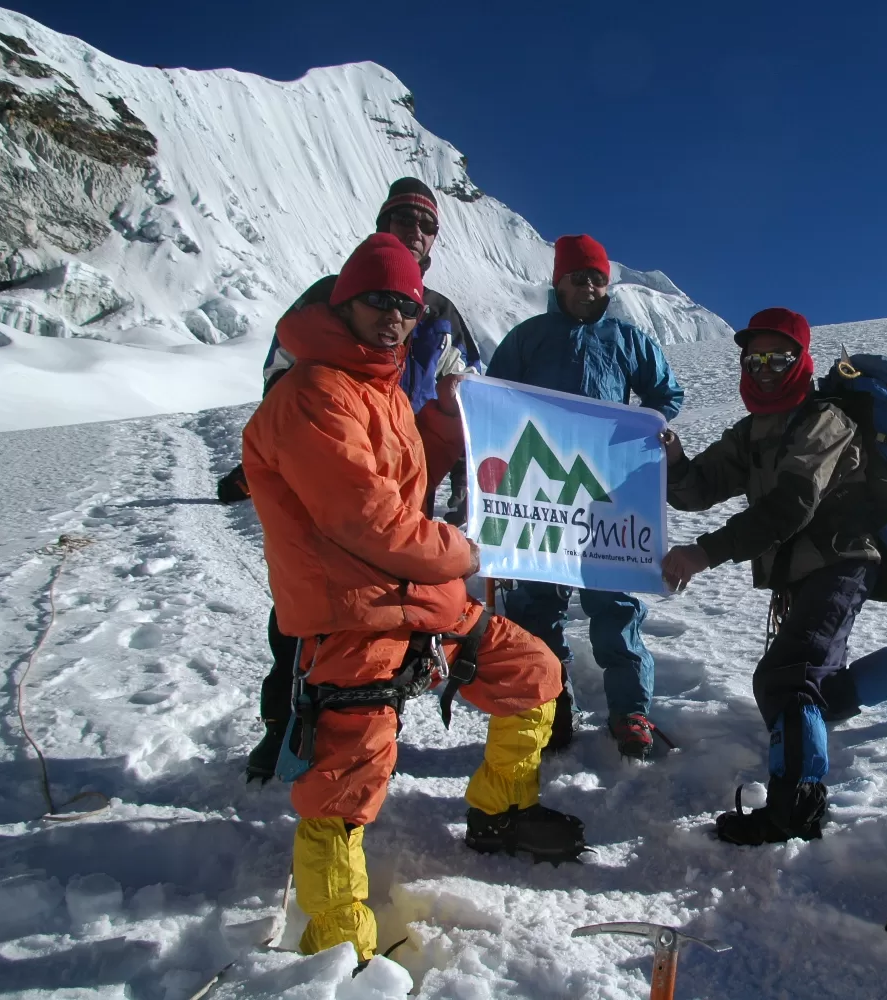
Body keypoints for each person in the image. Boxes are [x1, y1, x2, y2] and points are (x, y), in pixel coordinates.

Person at [242, 234, 586, 963]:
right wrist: (471, 552)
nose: (395, 316)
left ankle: (501, 811)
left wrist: (438, 418)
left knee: (535, 673)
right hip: (352, 616)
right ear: (345, 302)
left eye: (407, 304)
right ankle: (340, 947)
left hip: (421, 602)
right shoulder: (309, 394)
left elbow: (408, 469)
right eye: (379, 300)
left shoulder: (383, 389)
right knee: (345, 787)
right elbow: (369, 522)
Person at [659, 307, 887, 846]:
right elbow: (694, 489)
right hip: (800, 572)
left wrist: (704, 553)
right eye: (754, 357)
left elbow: (791, 504)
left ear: (800, 359)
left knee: (788, 680)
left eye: (778, 357)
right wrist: (673, 458)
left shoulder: (825, 420)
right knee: (813, 692)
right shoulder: (753, 431)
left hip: (842, 561)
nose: (763, 368)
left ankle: (797, 811)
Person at [237, 178, 480, 783]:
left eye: (425, 225)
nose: (414, 231)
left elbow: (473, 397)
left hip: (409, 474)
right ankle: (289, 729)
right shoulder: (330, 295)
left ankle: (366, 729)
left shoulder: (441, 315)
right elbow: (282, 382)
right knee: (313, 611)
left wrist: (455, 467)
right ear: (381, 223)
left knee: (390, 619)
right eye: (402, 219)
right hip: (332, 475)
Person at [486, 234, 685, 757]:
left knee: (614, 603)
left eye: (597, 278)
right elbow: (492, 403)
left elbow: (666, 394)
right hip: (541, 491)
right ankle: (549, 708)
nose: (589, 287)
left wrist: (648, 427)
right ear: (559, 282)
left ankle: (630, 713)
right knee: (536, 608)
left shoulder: (627, 339)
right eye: (578, 278)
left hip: (606, 494)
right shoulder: (528, 338)